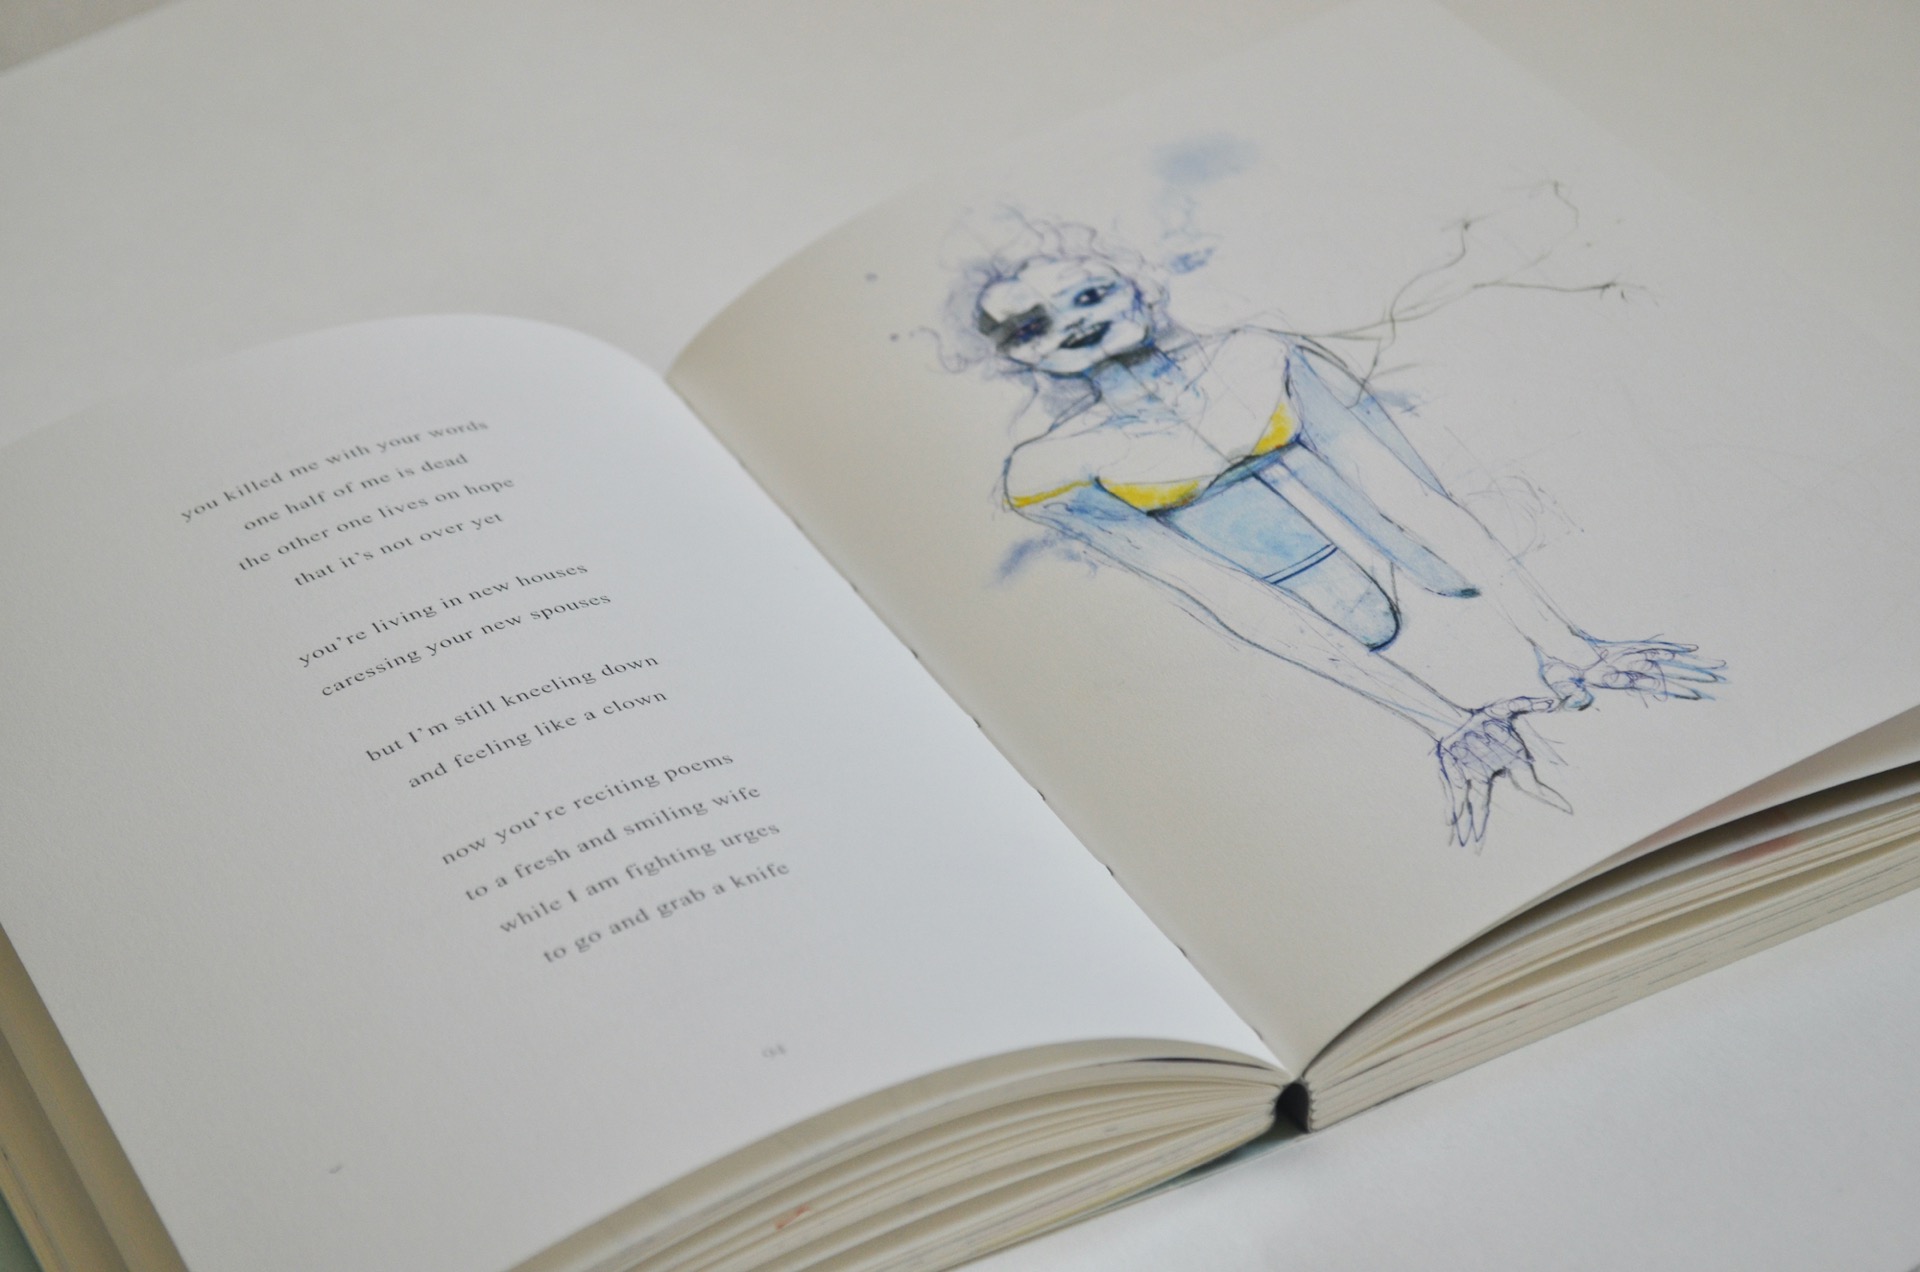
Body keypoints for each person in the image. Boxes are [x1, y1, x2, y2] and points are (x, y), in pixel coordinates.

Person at [962, 230, 1721, 843]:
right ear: (1014, 356)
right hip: (1351, 676)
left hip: (1482, 605)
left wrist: (1567, 646)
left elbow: (1414, 500)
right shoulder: (1048, 469)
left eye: (1087, 295)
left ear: (1137, 287)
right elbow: (1222, 594)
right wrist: (1444, 722)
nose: (1074, 323)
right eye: (1031, 326)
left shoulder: (1258, 355)